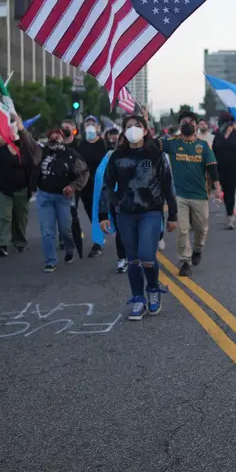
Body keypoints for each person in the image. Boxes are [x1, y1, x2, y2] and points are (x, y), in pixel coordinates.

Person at [100, 115, 178, 320]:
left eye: (137, 126)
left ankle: (153, 289)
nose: (132, 129)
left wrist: (173, 214)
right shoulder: (117, 156)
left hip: (150, 211)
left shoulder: (157, 155)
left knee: (146, 255)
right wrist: (103, 214)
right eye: (128, 126)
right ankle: (138, 299)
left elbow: (168, 185)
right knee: (133, 259)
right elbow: (107, 185)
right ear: (124, 131)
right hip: (124, 212)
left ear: (145, 130)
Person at [163, 111, 220, 277]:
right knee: (183, 229)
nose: (187, 123)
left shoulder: (203, 146)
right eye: (183, 121)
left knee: (201, 228)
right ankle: (185, 261)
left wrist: (217, 188)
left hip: (200, 195)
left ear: (195, 125)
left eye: (190, 121)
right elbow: (151, 143)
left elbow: (212, 168)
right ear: (180, 126)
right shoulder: (172, 143)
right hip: (179, 195)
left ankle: (198, 249)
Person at [36, 128, 89, 271]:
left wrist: (73, 186)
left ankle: (69, 247)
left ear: (63, 138)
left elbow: (84, 173)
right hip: (44, 196)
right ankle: (50, 260)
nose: (54, 140)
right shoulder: (42, 153)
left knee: (65, 229)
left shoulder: (71, 155)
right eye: (51, 138)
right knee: (47, 231)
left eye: (57, 137)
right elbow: (29, 144)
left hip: (63, 198)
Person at [0, 115, 41, 257]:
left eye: (15, 133)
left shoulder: (26, 152)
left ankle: (19, 242)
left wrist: (32, 187)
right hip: (3, 190)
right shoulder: (1, 152)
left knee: (20, 217)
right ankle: (2, 244)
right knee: (5, 217)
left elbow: (32, 169)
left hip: (22, 189)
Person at [74, 116, 111, 260]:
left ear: (97, 127)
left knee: (102, 212)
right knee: (92, 213)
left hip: (102, 185)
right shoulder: (80, 144)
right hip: (86, 185)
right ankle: (99, 239)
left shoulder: (104, 144)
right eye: (87, 123)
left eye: (92, 123)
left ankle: (99, 242)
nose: (90, 125)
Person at [211, 112, 236, 229]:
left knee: (231, 191)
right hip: (220, 169)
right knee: (225, 192)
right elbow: (212, 153)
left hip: (234, 168)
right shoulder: (218, 135)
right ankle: (229, 211)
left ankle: (230, 217)